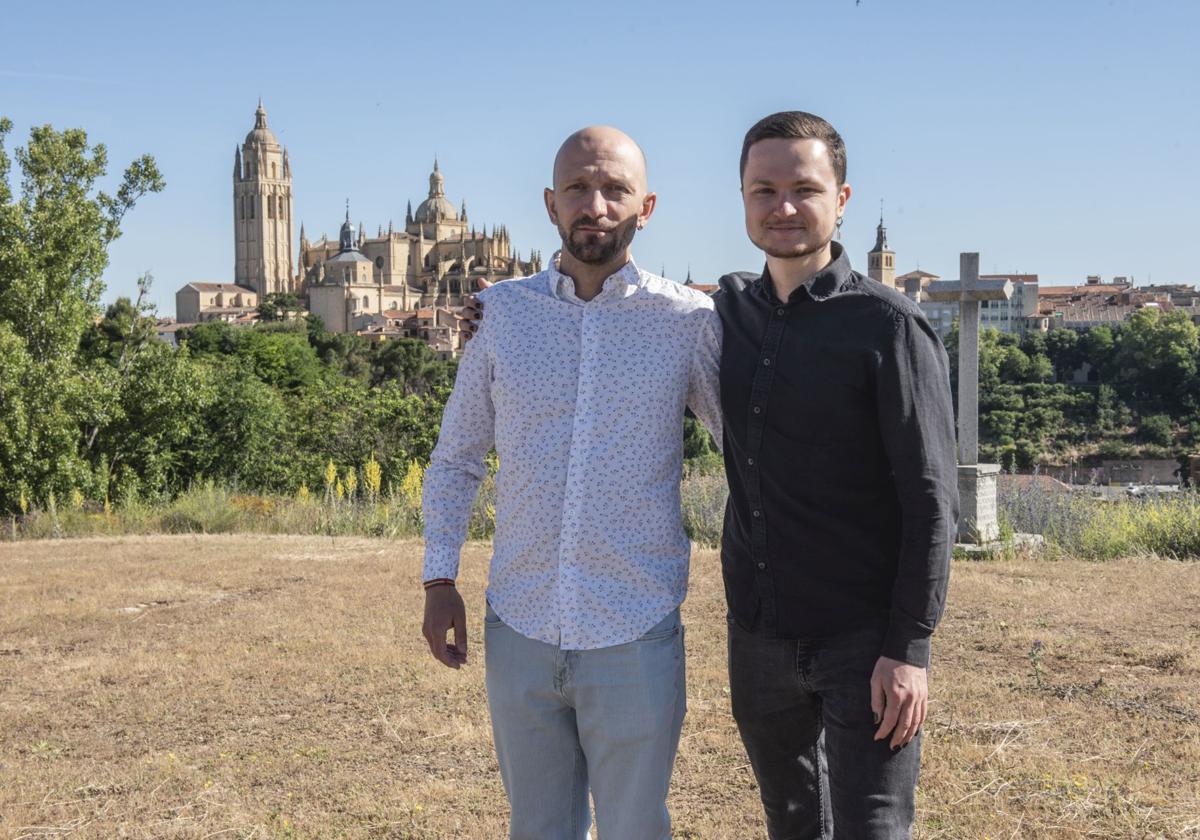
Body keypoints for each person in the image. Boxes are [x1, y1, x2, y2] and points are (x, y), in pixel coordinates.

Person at [420, 126, 721, 840]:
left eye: (615, 189)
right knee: (538, 829)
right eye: (579, 189)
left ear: (645, 207)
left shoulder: (687, 321)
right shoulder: (503, 316)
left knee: (634, 829)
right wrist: (438, 580)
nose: (596, 205)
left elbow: (751, 452)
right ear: (551, 203)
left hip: (634, 628)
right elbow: (456, 457)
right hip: (519, 625)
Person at [716, 111, 959, 839]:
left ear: (841, 199)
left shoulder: (889, 325)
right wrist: (492, 316)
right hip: (758, 633)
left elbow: (931, 502)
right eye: (764, 190)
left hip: (864, 638)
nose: (783, 206)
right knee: (791, 825)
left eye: (803, 188)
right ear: (742, 198)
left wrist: (909, 651)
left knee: (872, 829)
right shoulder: (726, 311)